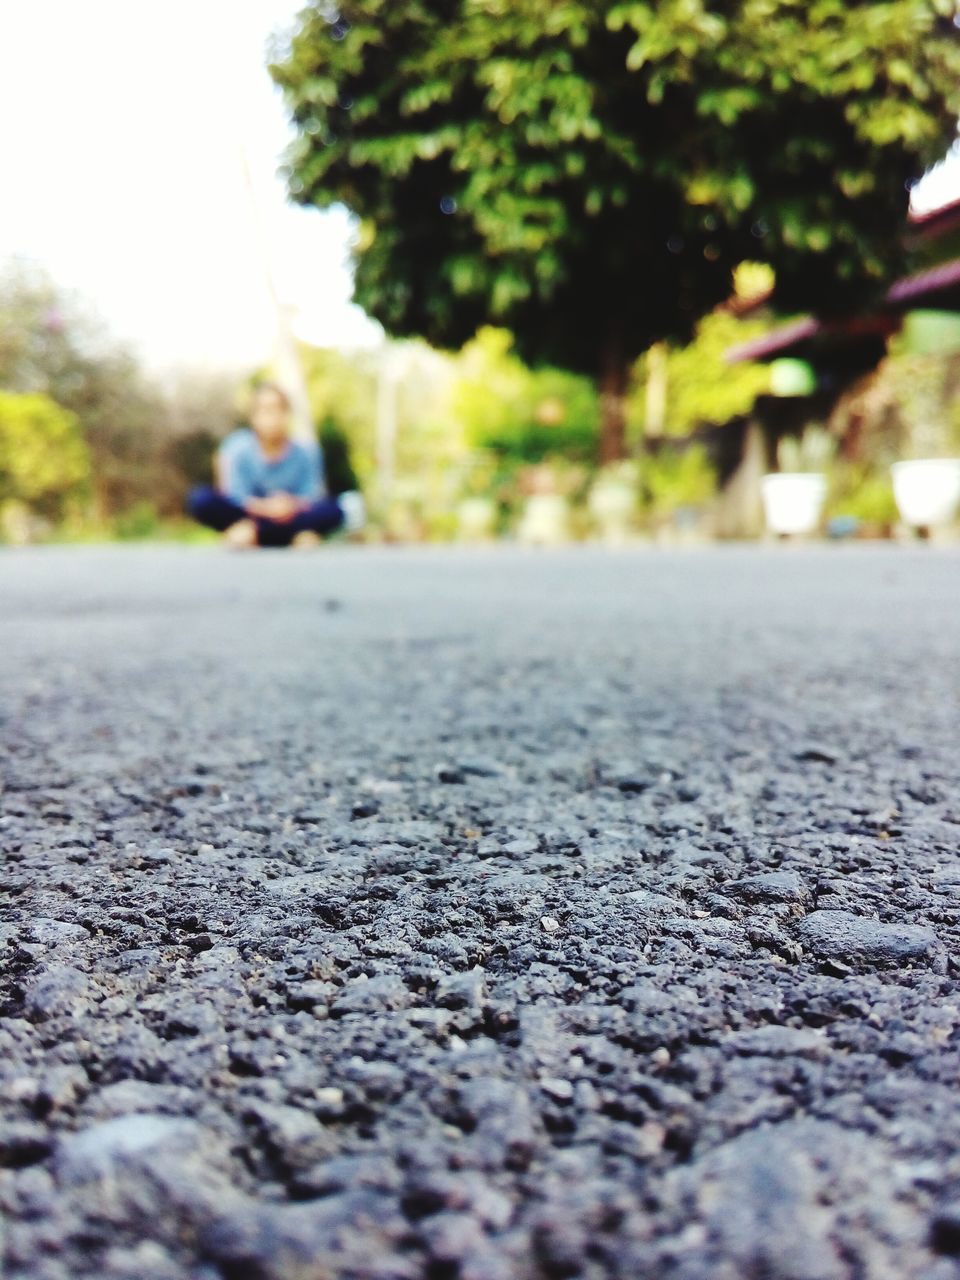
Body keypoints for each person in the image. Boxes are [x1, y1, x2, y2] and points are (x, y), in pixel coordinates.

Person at [187, 381, 365, 549]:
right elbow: (233, 495)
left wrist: (288, 505)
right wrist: (266, 508)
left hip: (290, 516)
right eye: (265, 410)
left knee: (341, 507)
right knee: (201, 499)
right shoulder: (236, 447)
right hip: (249, 515)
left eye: (277, 409)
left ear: (286, 414)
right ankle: (291, 535)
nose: (272, 416)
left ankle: (254, 534)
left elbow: (312, 495)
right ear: (253, 416)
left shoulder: (306, 451)